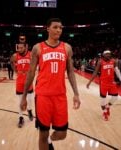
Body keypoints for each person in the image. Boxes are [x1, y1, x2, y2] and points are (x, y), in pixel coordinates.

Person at [20, 18, 81, 150]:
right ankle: (46, 139)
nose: (59, 30)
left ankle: (50, 139)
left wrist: (76, 93)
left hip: (60, 96)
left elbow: (70, 72)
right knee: (42, 134)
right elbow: (31, 73)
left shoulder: (67, 47)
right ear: (47, 28)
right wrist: (24, 96)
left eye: (60, 27)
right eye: (55, 27)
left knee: (62, 133)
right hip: (43, 96)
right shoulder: (38, 48)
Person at [86, 50, 121, 121]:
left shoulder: (113, 61)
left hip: (112, 82)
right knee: (102, 100)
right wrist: (89, 82)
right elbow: (95, 73)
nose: (109, 55)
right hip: (103, 83)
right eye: (107, 54)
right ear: (104, 55)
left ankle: (108, 106)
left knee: (115, 97)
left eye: (109, 54)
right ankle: (104, 112)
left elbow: (117, 70)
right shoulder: (100, 62)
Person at [10, 43, 34, 128]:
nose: (19, 49)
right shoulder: (15, 55)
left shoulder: (31, 54)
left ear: (25, 47)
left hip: (28, 80)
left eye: (21, 47)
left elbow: (36, 63)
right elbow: (11, 61)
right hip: (19, 81)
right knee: (20, 101)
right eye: (18, 47)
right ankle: (21, 117)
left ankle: (30, 110)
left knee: (30, 100)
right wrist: (15, 70)